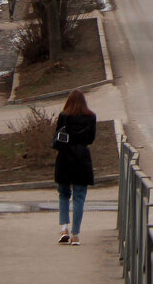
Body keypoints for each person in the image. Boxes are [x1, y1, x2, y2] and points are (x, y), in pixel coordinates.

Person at [54, 89, 97, 246]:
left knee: (63, 194)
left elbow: (57, 137)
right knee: (79, 197)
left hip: (65, 158)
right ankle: (76, 235)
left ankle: (64, 228)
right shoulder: (91, 117)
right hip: (82, 159)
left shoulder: (64, 116)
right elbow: (91, 139)